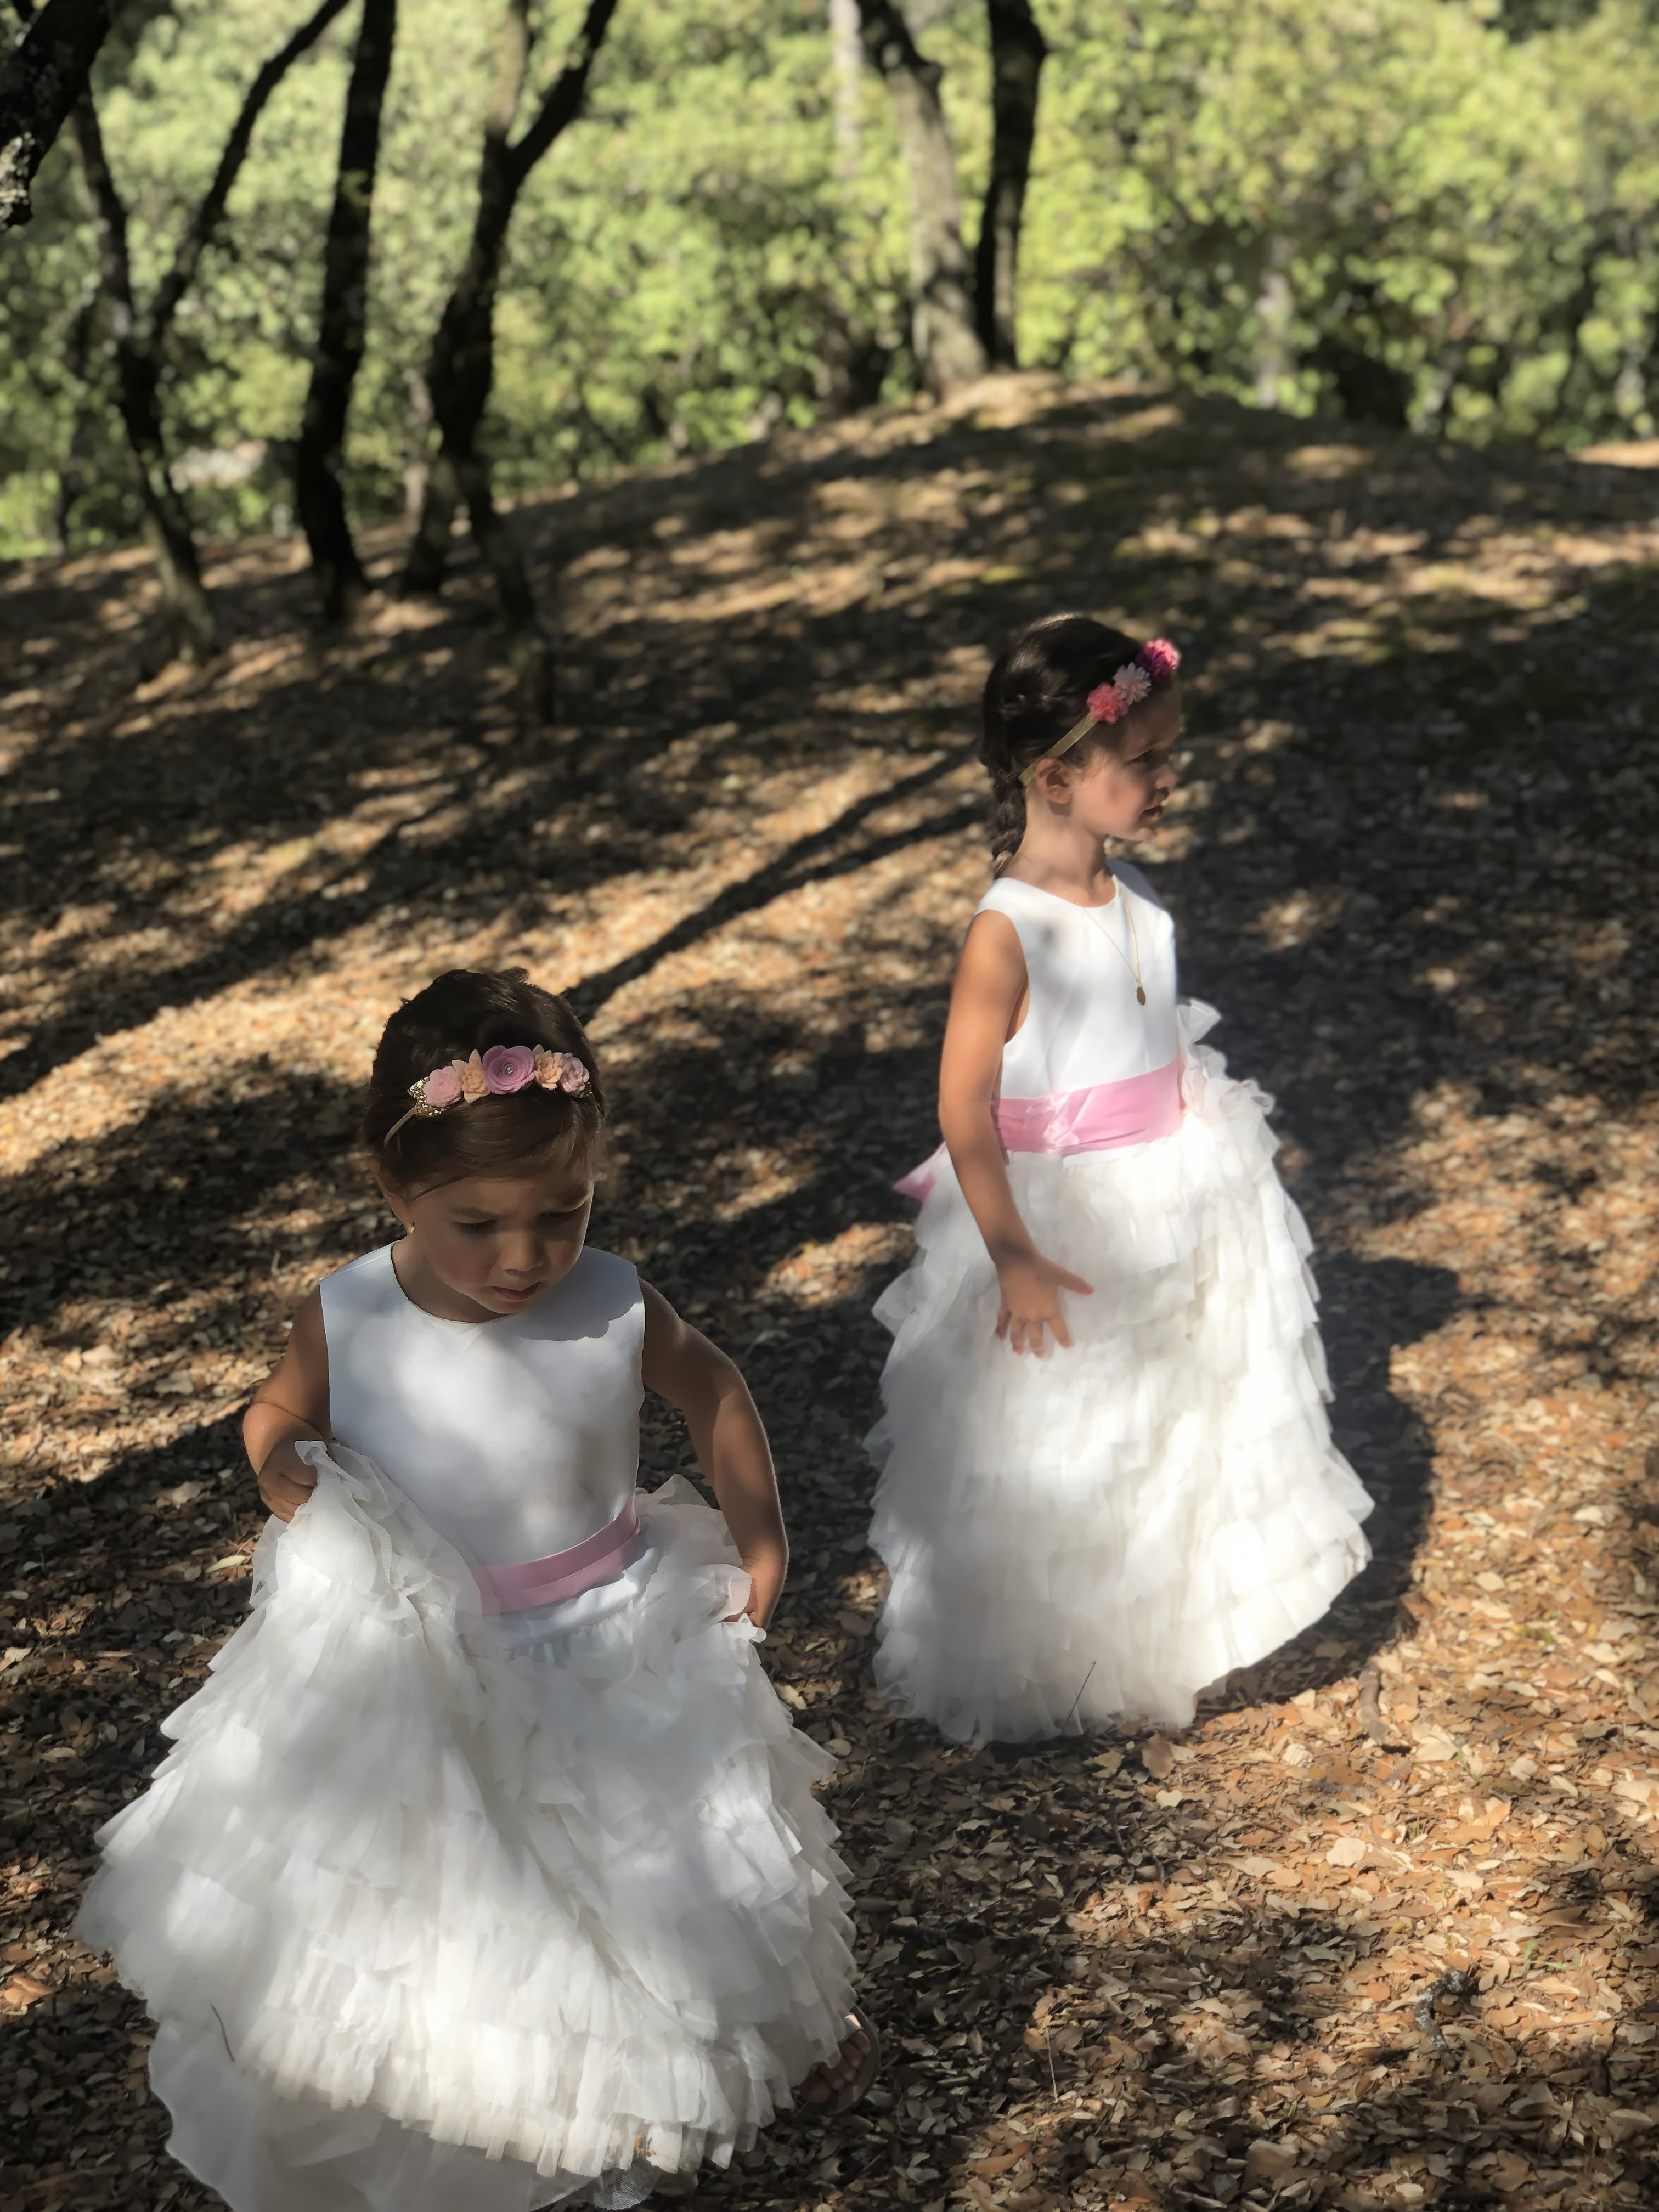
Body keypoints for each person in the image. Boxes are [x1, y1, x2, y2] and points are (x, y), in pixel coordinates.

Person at [78, 968, 878, 2212]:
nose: (526, 1255)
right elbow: (277, 1408)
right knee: (453, 1906)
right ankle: (476, 2116)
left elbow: (714, 1387)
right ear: (395, 1187)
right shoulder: (351, 1310)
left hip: (615, 1640)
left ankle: (753, 2039)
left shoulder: (611, 1299)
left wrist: (758, 1534)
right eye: (478, 1224)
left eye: (563, 1212)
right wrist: (280, 1457)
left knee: (674, 1858)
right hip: (425, 1665)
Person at [865, 615, 1374, 1745]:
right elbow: (963, 1107)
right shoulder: (1008, 932)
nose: (1167, 777)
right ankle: (1060, 1661)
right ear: (1056, 775)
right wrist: (1013, 1254)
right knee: (1072, 1434)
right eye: (1144, 758)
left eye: (1168, 752)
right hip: (1068, 1218)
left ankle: (1164, 1632)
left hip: (1174, 1191)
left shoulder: (1135, 892)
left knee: (1173, 1416)